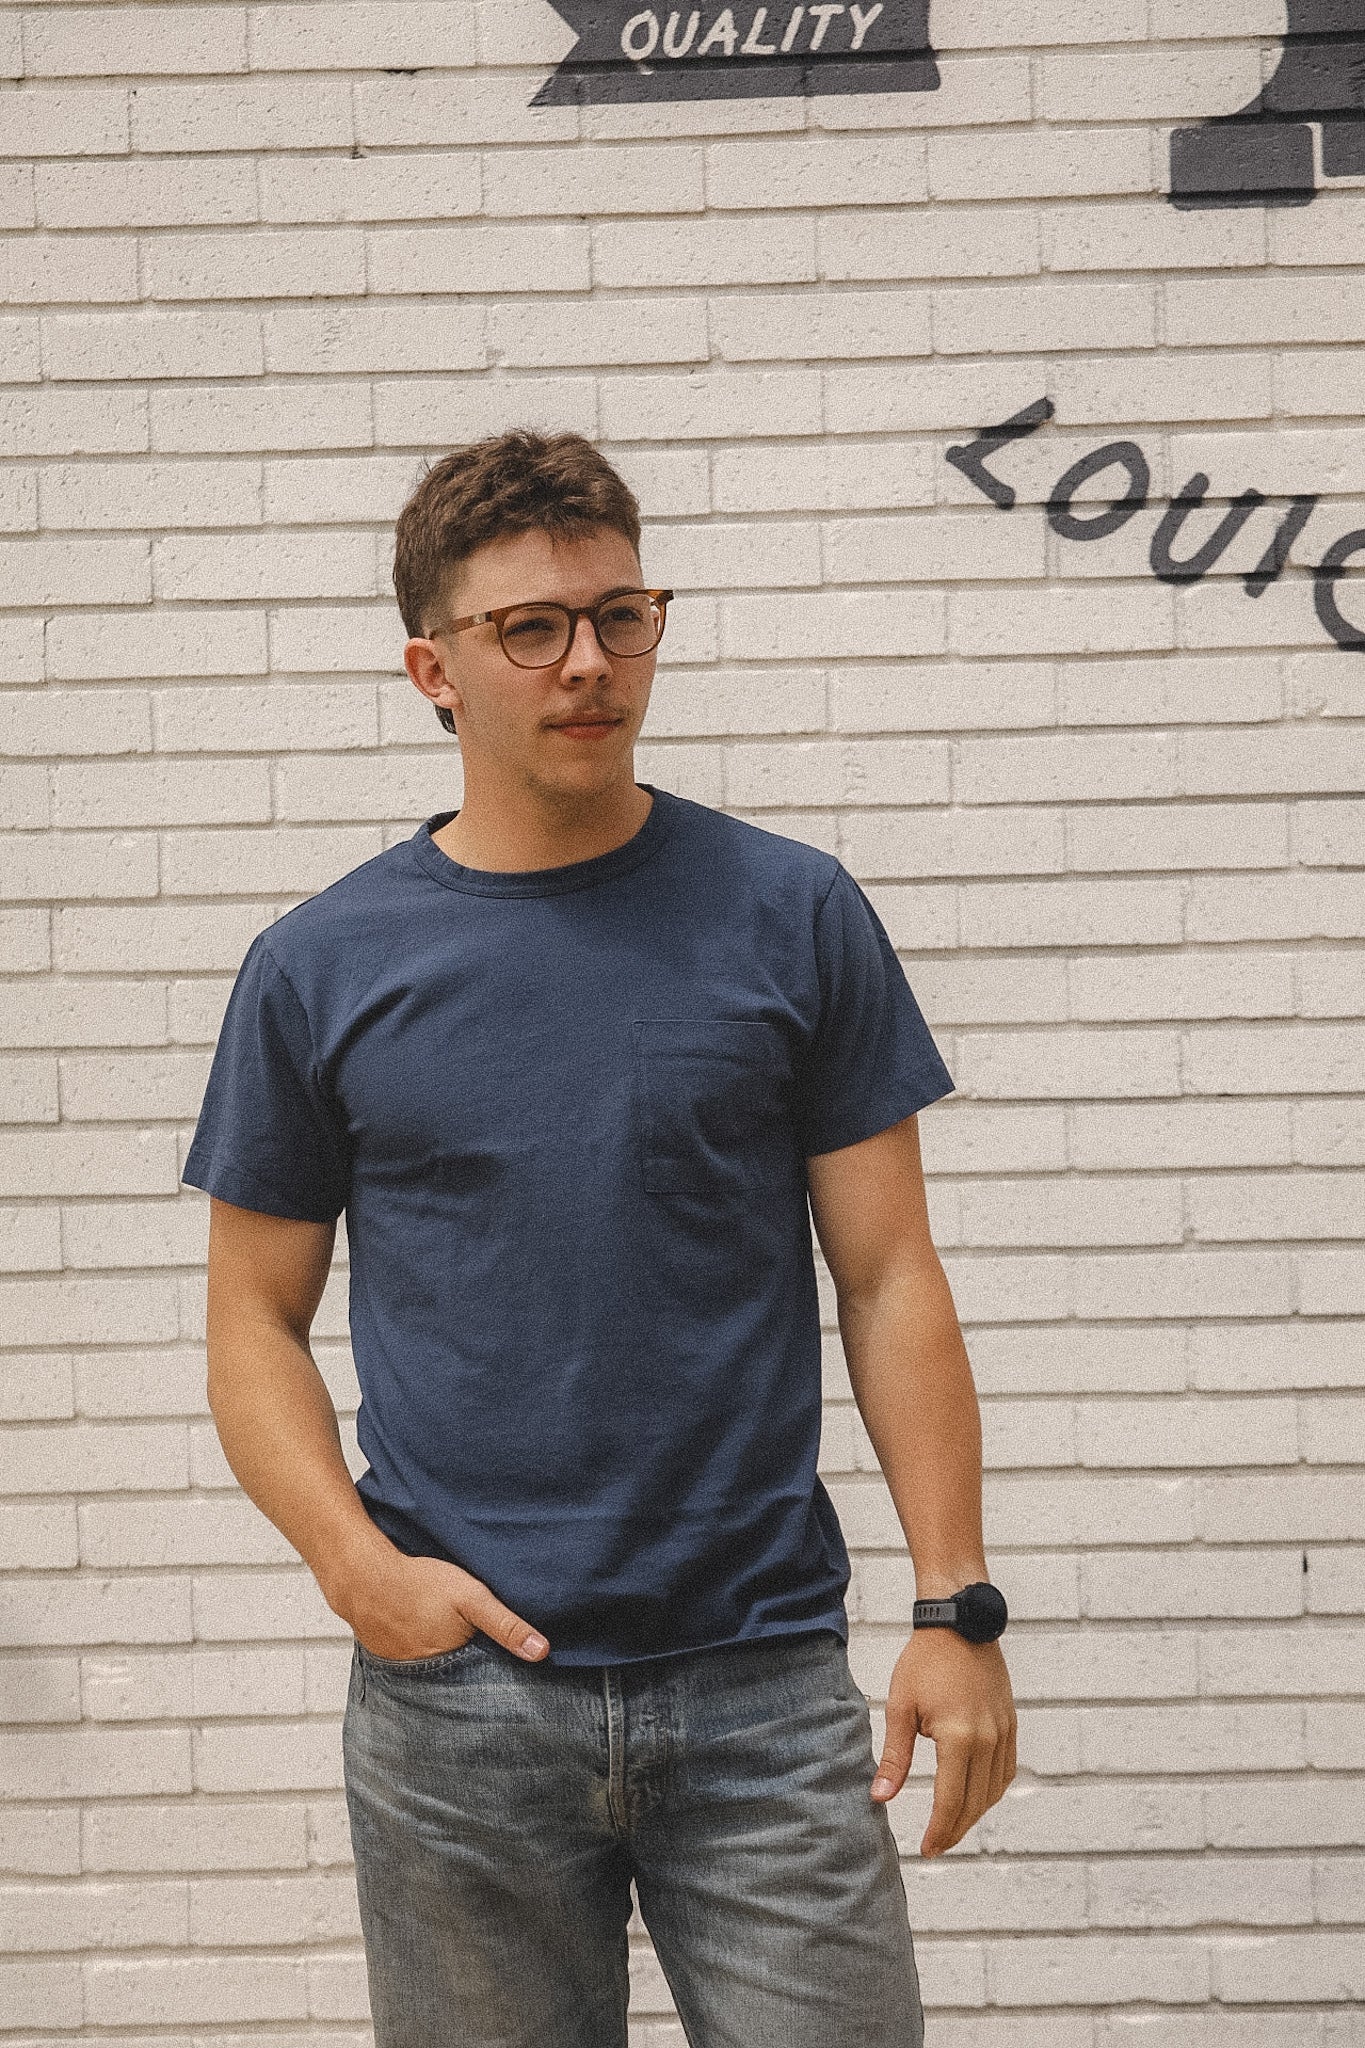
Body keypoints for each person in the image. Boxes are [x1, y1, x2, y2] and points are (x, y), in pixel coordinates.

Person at [184, 428, 1017, 2048]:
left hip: (764, 1685)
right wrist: (358, 1571)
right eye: (531, 631)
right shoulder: (322, 967)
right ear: (433, 667)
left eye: (621, 616)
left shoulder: (789, 911)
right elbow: (250, 1318)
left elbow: (888, 1273)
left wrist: (952, 1607)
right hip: (460, 1708)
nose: (589, 664)